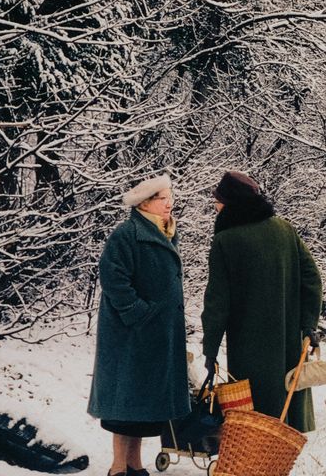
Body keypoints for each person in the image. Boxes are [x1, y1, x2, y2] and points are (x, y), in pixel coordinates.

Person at [201, 170, 323, 432]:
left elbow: (217, 302)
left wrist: (210, 349)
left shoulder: (226, 240)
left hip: (250, 346)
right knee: (285, 406)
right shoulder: (284, 229)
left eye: (219, 201)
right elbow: (312, 279)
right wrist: (308, 324)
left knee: (257, 416)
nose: (215, 206)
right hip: (288, 339)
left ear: (232, 203)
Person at [87, 175, 190, 476]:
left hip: (156, 333)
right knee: (126, 404)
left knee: (141, 406)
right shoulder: (128, 233)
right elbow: (113, 278)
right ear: (145, 203)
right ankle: (118, 467)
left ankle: (134, 464)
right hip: (131, 334)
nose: (170, 203)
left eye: (170, 196)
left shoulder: (166, 232)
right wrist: (137, 312)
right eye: (163, 198)